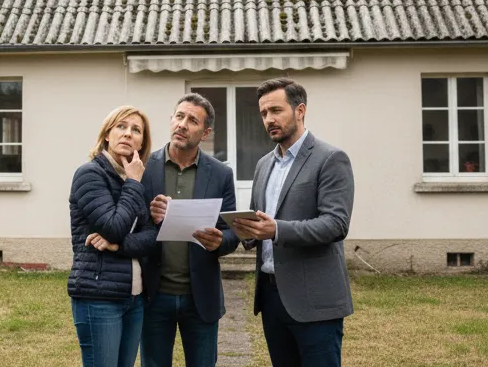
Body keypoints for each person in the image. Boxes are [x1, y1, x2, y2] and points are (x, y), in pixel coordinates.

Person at [232, 78, 355, 367]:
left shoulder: (331, 158)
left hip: (315, 302)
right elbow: (258, 217)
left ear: (300, 111)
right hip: (272, 299)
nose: (269, 119)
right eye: (263, 113)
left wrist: (276, 230)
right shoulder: (264, 164)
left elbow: (336, 224)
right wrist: (247, 232)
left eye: (276, 110)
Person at [138, 93, 240, 367]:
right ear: (171, 120)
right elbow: (130, 223)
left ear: (205, 133)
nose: (182, 124)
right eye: (179, 116)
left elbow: (233, 233)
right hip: (153, 295)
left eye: (192, 120)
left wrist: (220, 241)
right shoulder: (143, 168)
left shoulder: (221, 174)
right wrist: (148, 215)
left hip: (201, 298)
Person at [68, 105, 153, 367]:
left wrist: (117, 247)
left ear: (142, 141)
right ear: (107, 134)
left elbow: (151, 236)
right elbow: (113, 226)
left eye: (136, 130)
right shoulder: (90, 174)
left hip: (134, 298)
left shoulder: (134, 179)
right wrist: (133, 184)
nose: (128, 134)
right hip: (98, 296)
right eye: (121, 127)